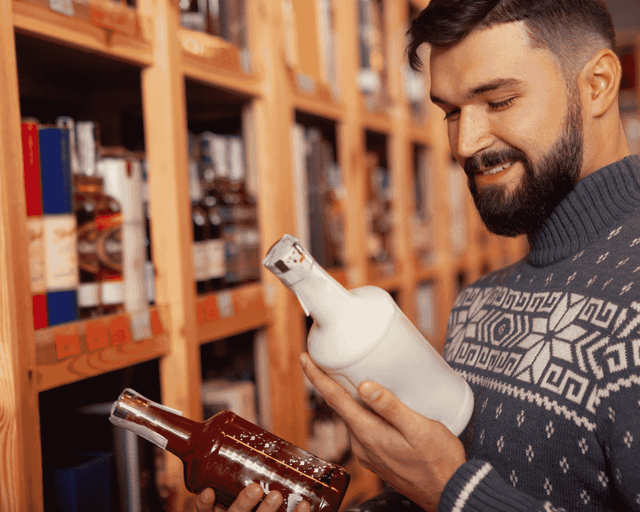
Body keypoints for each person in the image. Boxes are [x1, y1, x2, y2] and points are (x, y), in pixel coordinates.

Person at [197, 0, 640, 510]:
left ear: (599, 83)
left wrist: (452, 491)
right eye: (451, 111)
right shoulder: (480, 305)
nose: (466, 144)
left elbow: (450, 492)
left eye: (498, 101)